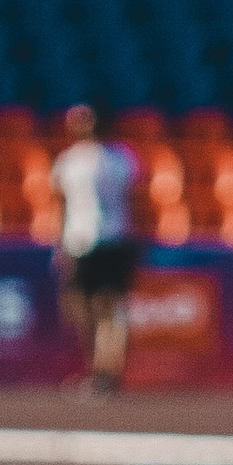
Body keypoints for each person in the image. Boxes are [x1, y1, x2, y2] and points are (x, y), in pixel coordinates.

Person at [50, 104, 143, 395]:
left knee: (110, 307)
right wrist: (60, 243)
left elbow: (135, 201)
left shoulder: (122, 159)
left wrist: (136, 237)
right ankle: (96, 368)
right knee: (81, 308)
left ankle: (107, 371)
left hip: (112, 239)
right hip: (80, 240)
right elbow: (62, 206)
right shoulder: (70, 161)